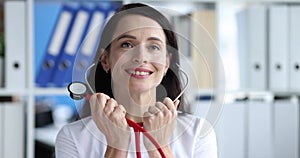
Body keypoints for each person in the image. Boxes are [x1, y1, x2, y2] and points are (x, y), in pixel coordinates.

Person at [55, 3, 218, 158]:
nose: (141, 57)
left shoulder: (198, 132)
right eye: (127, 44)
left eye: (154, 47)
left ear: (167, 63)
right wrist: (117, 146)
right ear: (105, 60)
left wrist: (159, 146)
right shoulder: (73, 136)